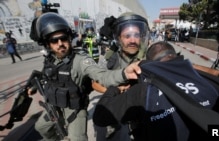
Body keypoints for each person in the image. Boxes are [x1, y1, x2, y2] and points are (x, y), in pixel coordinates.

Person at [93, 41, 219, 141]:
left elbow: (101, 116)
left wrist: (115, 89)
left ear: (150, 63)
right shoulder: (213, 81)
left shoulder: (143, 91)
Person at [27, 12, 141, 141]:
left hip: (74, 109)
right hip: (55, 105)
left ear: (69, 38)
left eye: (63, 38)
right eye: (54, 40)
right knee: (41, 128)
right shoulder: (51, 59)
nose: (60, 44)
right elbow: (46, 75)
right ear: (47, 44)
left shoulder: (81, 61)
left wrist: (124, 72)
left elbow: (103, 76)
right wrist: (34, 86)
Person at [93, 12, 150, 141]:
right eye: (127, 36)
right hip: (119, 106)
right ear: (119, 38)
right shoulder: (111, 57)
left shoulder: (147, 55)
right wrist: (115, 92)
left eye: (136, 35)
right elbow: (95, 82)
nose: (132, 40)